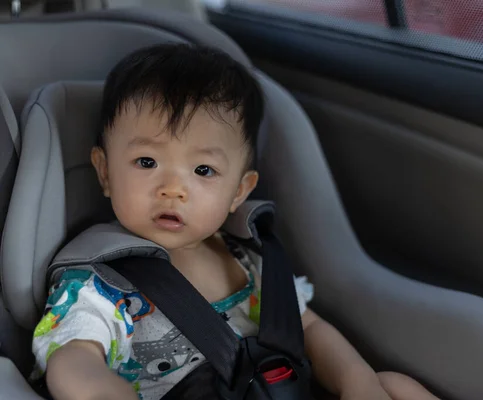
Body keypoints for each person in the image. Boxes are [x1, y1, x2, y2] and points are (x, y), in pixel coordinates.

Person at [30, 43, 439, 400]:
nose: (173, 188)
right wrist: (102, 392)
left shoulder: (249, 258)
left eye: (203, 171)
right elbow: (73, 356)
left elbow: (309, 328)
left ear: (239, 192)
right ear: (104, 172)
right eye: (147, 162)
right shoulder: (102, 286)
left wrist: (357, 381)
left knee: (396, 386)